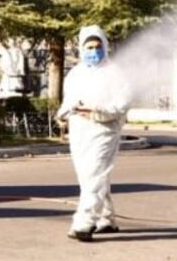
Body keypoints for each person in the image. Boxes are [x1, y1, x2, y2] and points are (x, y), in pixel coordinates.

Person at [56, 25, 131, 242]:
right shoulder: (75, 74)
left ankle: (84, 223)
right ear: (81, 48)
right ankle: (106, 219)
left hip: (104, 130)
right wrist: (64, 114)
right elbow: (68, 101)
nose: (93, 51)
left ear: (105, 46)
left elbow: (122, 103)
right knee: (88, 177)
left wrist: (97, 110)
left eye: (97, 46)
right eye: (89, 47)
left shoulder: (115, 73)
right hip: (79, 130)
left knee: (95, 175)